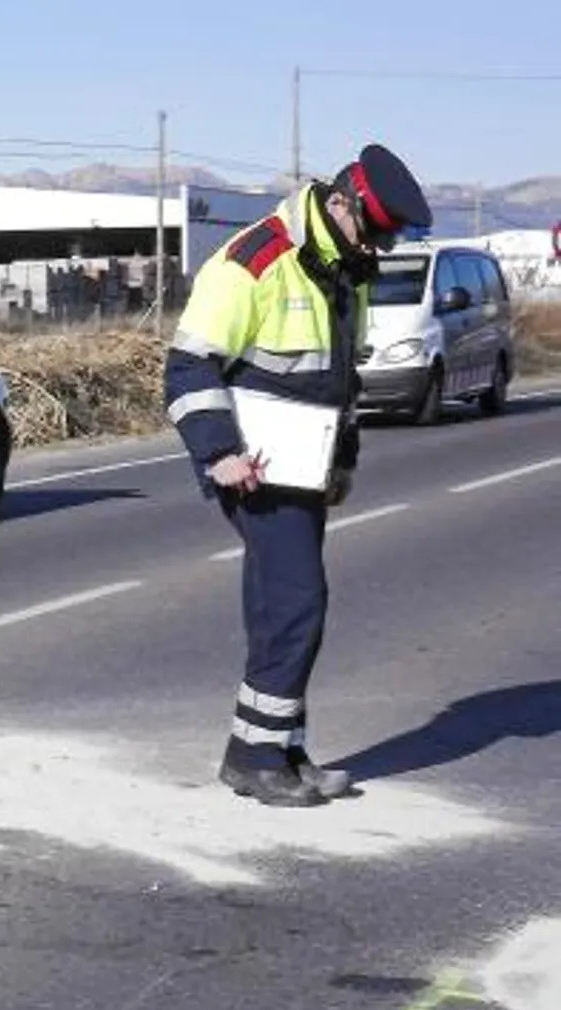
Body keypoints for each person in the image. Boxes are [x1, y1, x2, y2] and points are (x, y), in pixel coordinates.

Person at [162, 143, 432, 807]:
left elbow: (340, 379)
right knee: (296, 603)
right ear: (342, 204)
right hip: (252, 465)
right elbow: (187, 366)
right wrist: (219, 451)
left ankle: (276, 744)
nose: (382, 246)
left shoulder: (346, 268)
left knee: (278, 604)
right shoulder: (259, 259)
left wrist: (342, 460)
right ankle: (255, 756)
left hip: (304, 466)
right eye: (377, 231)